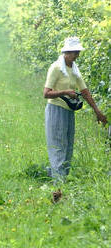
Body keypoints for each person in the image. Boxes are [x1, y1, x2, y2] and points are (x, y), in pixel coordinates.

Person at [43, 37, 107, 183]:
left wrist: (97, 111)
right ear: (66, 52)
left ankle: (60, 176)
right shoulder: (56, 68)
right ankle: (58, 182)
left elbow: (84, 91)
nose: (76, 55)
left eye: (77, 52)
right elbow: (46, 93)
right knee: (57, 144)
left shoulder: (74, 69)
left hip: (68, 111)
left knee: (68, 144)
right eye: (74, 52)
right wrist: (65, 92)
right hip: (56, 109)